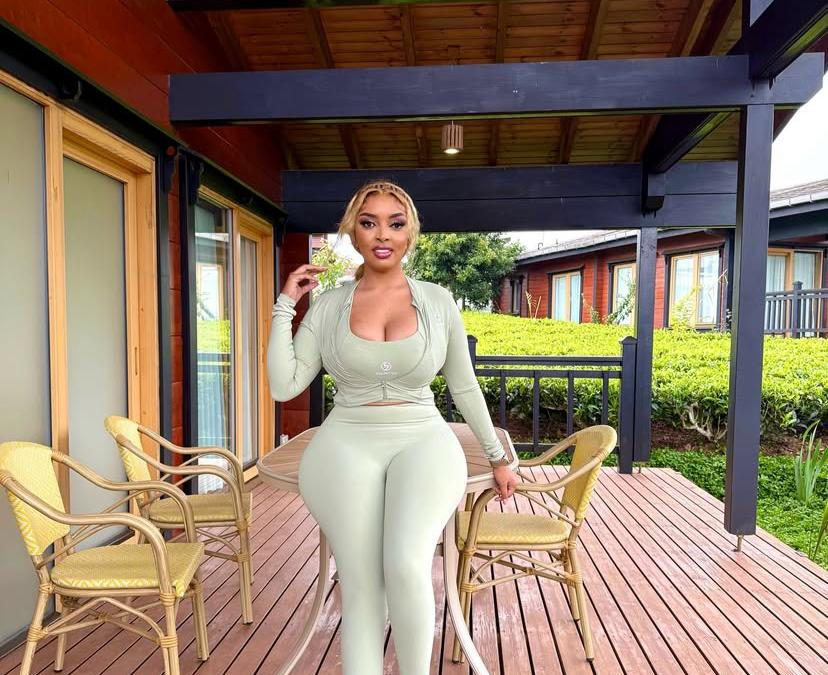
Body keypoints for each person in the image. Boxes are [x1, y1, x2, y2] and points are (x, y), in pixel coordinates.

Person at [267, 179, 519, 675]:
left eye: (395, 223)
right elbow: (283, 384)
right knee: (361, 582)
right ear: (353, 232)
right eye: (369, 223)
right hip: (345, 442)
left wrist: (498, 456)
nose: (382, 234)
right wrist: (285, 304)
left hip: (423, 438)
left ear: (410, 233)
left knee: (405, 565)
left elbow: (464, 387)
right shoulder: (329, 305)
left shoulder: (438, 301)